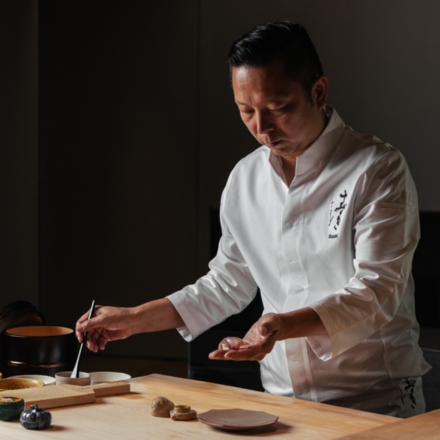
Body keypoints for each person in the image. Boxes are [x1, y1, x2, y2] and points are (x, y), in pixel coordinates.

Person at [76, 21, 430, 417]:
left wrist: (280, 324)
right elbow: (228, 282)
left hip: (375, 398)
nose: (262, 128)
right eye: (246, 111)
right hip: (280, 399)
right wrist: (134, 319)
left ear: (318, 91)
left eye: (278, 108)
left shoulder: (376, 169)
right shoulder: (246, 179)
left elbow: (377, 290)